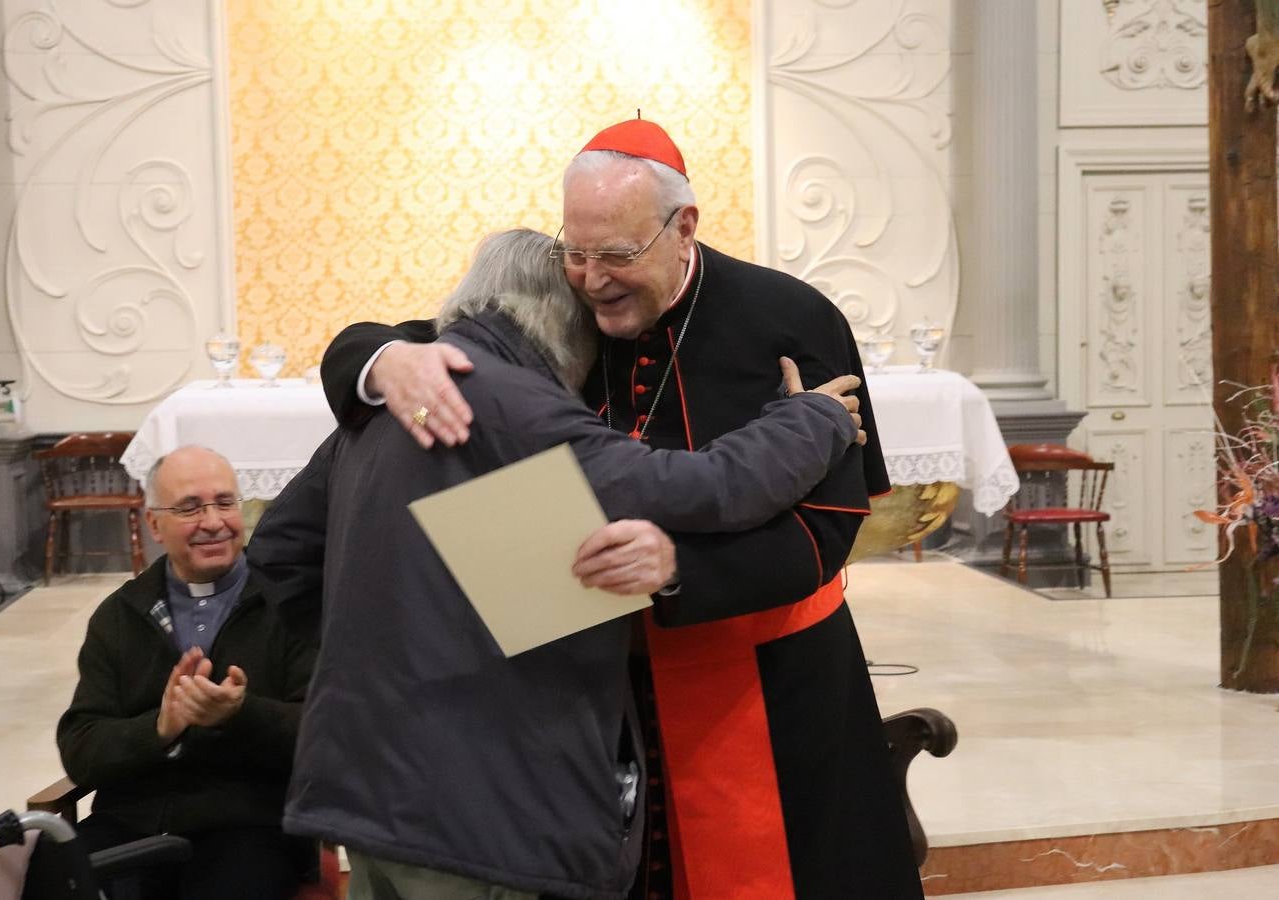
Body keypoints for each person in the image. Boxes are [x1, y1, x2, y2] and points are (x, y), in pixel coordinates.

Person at [319, 120, 923, 898]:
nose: (594, 280)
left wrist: (682, 571)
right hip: (592, 687)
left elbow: (828, 525)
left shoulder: (791, 317)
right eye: (577, 252)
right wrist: (381, 356)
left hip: (764, 686)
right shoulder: (567, 302)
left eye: (618, 257)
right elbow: (427, 338)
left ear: (684, 229)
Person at [56, 446, 315, 900]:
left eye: (224, 502)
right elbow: (81, 748)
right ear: (154, 524)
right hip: (129, 824)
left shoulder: (288, 602)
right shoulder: (120, 614)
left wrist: (240, 714)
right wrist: (160, 727)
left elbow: (327, 731)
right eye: (190, 507)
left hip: (249, 827)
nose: (213, 521)